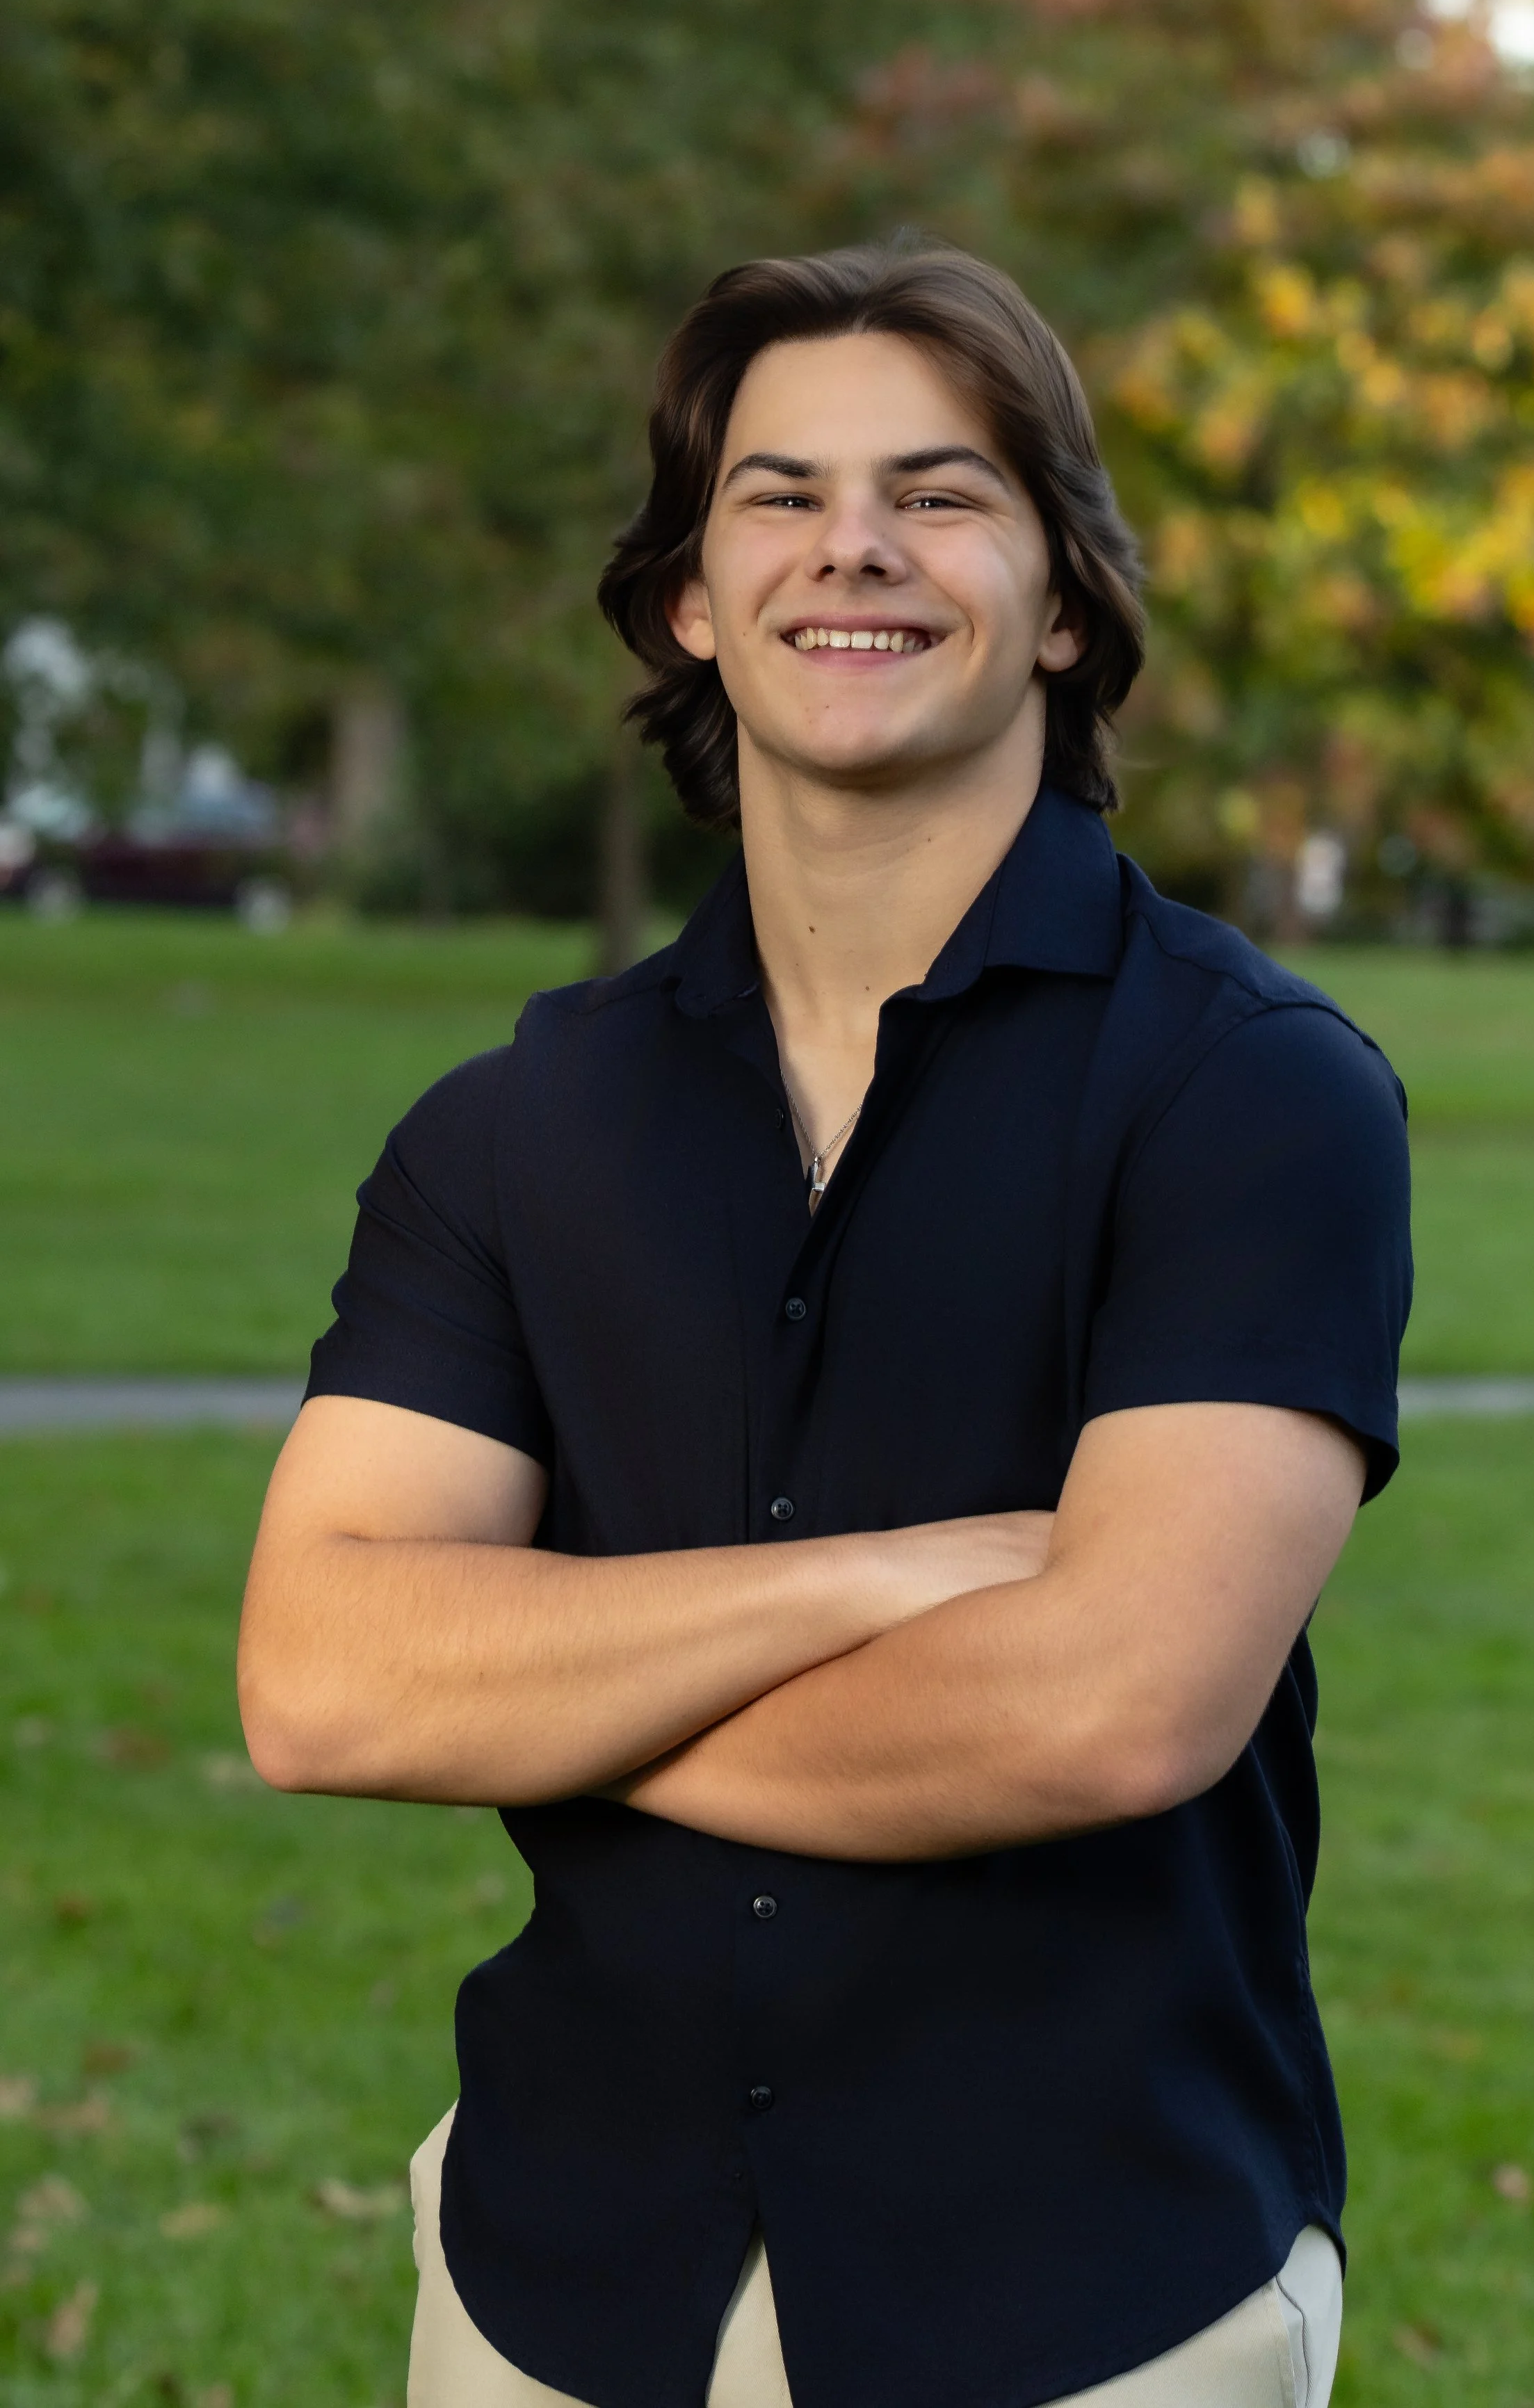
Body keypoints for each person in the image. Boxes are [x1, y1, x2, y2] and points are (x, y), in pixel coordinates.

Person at [239, 240, 1411, 2408]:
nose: (849, 544)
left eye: (939, 492)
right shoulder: (514, 1123)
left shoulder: (1252, 1091)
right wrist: (893, 1574)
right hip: (556, 2276)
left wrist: (538, 1692)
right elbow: (318, 1683)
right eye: (774, 494)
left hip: (1086, 2294)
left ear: (1063, 599)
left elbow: (1111, 1712)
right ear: (690, 596)